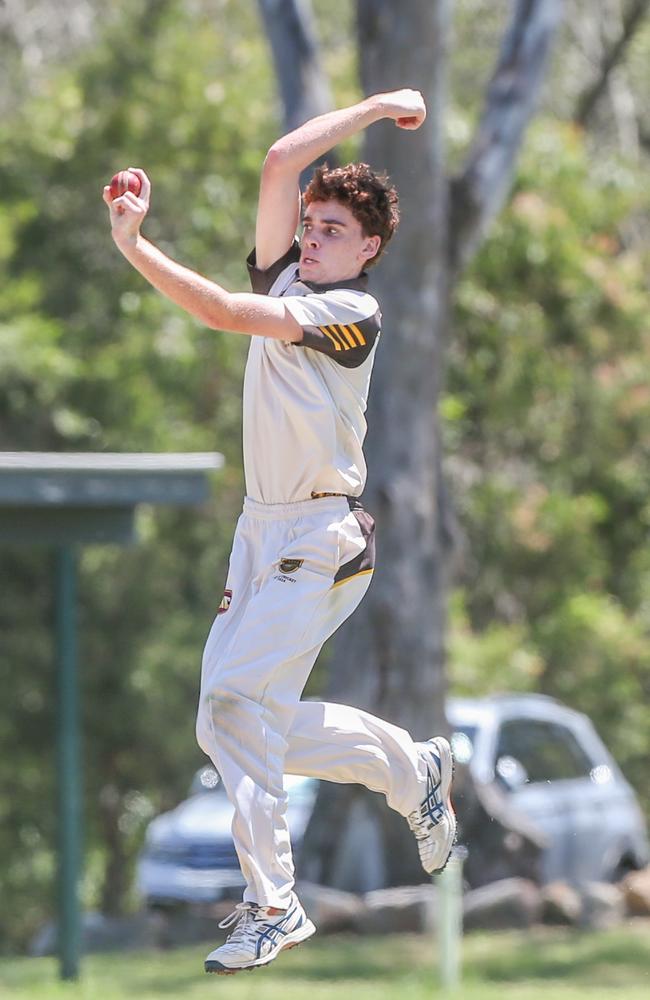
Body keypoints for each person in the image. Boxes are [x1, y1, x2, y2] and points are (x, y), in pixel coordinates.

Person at [103, 89, 455, 976]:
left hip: (321, 533)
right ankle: (411, 770)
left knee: (231, 707)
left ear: (370, 248)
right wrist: (375, 107)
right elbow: (277, 161)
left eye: (335, 229)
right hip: (259, 534)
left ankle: (274, 902)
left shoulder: (352, 315)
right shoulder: (288, 274)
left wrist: (136, 248)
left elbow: (224, 314)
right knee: (237, 722)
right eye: (312, 224)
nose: (313, 236)